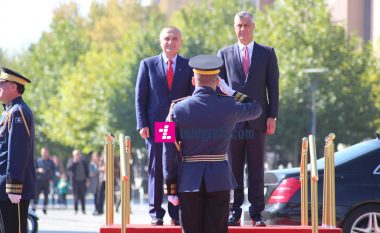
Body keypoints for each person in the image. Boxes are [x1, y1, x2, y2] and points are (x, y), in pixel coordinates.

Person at [163, 55, 262, 233]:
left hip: (188, 181)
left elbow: (166, 148)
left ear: (194, 81)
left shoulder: (175, 108)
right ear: (217, 81)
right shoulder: (229, 105)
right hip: (220, 179)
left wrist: (171, 187)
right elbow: (256, 108)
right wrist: (231, 92)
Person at [217, 11, 279, 226]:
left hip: (259, 121)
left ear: (253, 27)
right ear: (234, 28)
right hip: (233, 123)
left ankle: (256, 214)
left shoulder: (267, 53)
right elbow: (219, 89)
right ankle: (234, 211)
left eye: (245, 25)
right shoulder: (224, 54)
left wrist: (272, 115)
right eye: (238, 25)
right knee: (233, 169)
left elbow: (273, 87)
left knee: (256, 169)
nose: (242, 29)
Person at [135, 26, 193, 225]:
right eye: (167, 38)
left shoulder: (188, 65)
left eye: (175, 38)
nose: (171, 42)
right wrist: (142, 124)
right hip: (157, 125)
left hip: (179, 126)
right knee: (156, 167)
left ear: (180, 42)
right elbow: (140, 97)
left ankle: (175, 212)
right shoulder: (148, 64)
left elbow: (193, 97)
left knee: (176, 168)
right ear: (160, 42)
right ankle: (155, 211)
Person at [0, 67, 36, 233]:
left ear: (13, 86)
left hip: (12, 190)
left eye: (1, 84)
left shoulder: (18, 112)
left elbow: (18, 151)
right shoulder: (8, 112)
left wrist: (14, 185)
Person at [32, 147, 55, 214]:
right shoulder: (37, 160)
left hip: (47, 181)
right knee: (36, 196)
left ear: (48, 153)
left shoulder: (51, 162)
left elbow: (53, 171)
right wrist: (38, 170)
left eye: (46, 152)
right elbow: (33, 169)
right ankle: (33, 209)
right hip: (38, 181)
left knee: (46, 196)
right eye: (43, 152)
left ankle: (45, 210)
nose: (45, 154)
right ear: (41, 153)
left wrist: (51, 178)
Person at [67, 149, 89, 214]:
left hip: (82, 181)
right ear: (73, 155)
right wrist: (74, 162)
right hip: (75, 181)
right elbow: (69, 168)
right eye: (76, 155)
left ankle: (83, 209)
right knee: (75, 196)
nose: (77, 156)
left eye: (78, 154)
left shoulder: (83, 161)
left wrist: (88, 179)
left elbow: (87, 171)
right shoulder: (71, 161)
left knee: (83, 196)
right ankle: (75, 209)